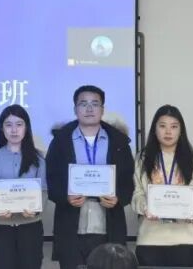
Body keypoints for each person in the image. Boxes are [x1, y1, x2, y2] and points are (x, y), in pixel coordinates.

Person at [46, 85, 136, 269]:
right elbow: (51, 179)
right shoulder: (61, 141)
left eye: (95, 104)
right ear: (75, 109)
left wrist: (119, 198)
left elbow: (128, 180)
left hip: (108, 226)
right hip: (71, 226)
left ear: (102, 109)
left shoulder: (118, 142)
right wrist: (65, 197)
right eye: (83, 104)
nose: (89, 109)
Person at [132, 104, 193, 267]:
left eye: (174, 127)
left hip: (186, 240)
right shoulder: (142, 159)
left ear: (181, 131)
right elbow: (137, 194)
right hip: (150, 239)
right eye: (162, 126)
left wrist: (192, 210)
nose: (168, 132)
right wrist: (145, 207)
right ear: (154, 130)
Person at [0, 105, 47, 269]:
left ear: (26, 127)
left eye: (19, 124)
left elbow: (43, 191)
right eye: (8, 125)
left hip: (30, 226)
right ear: (2, 128)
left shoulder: (39, 157)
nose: (14, 130)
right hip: (1, 226)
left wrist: (35, 210)